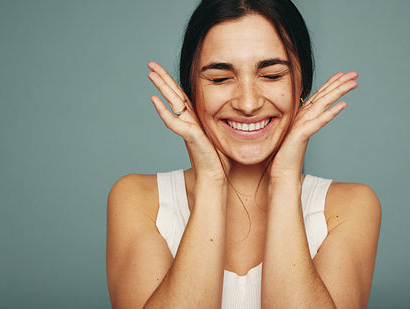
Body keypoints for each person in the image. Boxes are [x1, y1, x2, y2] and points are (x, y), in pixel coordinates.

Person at [106, 0, 381, 308]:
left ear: (301, 83)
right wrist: (211, 181)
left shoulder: (349, 207)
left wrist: (285, 178)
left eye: (273, 75)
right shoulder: (138, 200)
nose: (248, 104)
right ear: (190, 89)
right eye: (220, 79)